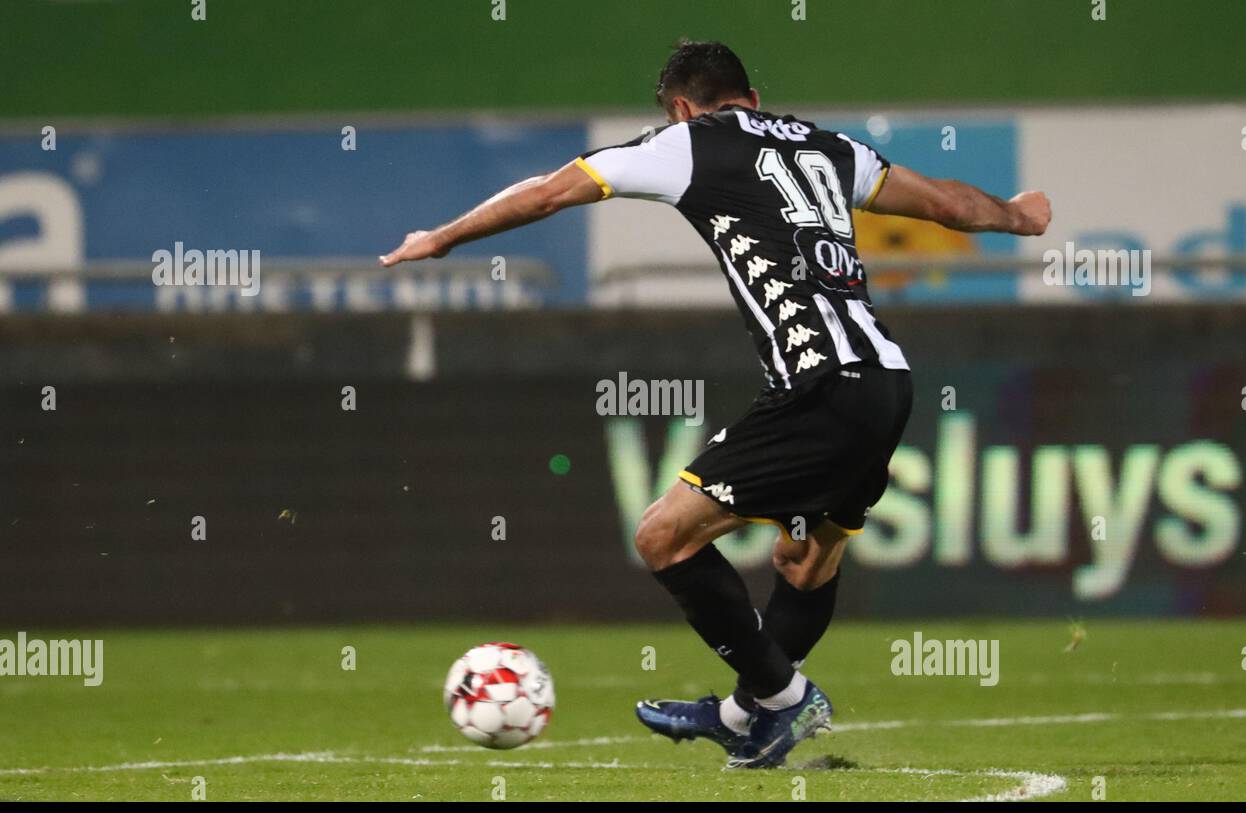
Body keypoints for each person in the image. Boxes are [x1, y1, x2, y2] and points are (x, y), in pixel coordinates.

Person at [380, 40, 1050, 768]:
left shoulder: (686, 144)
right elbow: (951, 205)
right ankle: (748, 716)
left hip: (820, 383)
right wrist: (1017, 216)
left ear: (679, 106)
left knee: (663, 536)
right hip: (887, 380)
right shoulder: (829, 148)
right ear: (753, 98)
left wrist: (442, 238)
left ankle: (784, 699)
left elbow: (546, 190)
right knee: (804, 561)